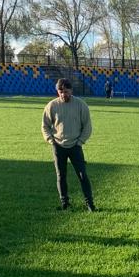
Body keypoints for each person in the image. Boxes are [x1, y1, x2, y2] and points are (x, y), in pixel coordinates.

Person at [42, 78, 96, 211]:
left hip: (75, 146)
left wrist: (80, 142)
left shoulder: (81, 105)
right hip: (58, 146)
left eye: (66, 91)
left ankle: (90, 204)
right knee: (61, 175)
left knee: (82, 175)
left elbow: (87, 126)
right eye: (60, 91)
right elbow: (45, 126)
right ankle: (64, 203)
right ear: (57, 91)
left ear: (71, 90)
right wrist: (51, 141)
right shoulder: (51, 106)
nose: (63, 94)